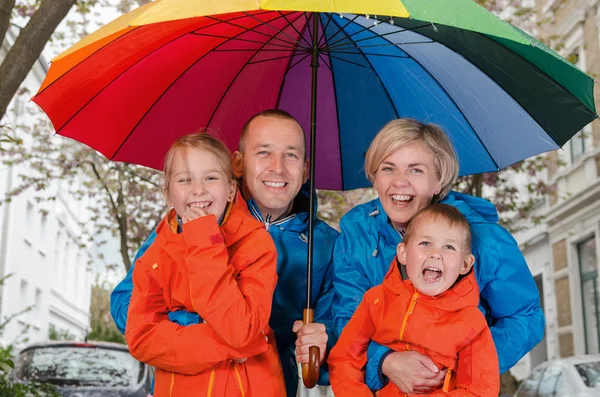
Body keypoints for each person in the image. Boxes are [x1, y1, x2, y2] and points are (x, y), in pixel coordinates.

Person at [111, 110, 337, 396]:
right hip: (189, 379)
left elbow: (340, 338)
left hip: (264, 383)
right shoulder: (190, 221)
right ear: (238, 163)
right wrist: (212, 330)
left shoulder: (328, 246)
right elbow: (126, 309)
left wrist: (322, 341)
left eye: (290, 155)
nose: (278, 168)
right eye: (264, 152)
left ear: (305, 170)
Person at [332, 119, 544, 394]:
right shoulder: (356, 233)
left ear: (439, 180)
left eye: (415, 170)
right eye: (387, 168)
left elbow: (524, 317)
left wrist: (462, 367)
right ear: (374, 176)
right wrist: (384, 361)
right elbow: (349, 319)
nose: (399, 183)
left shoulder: (483, 239)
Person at [125, 133, 285, 396]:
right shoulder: (153, 259)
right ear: (168, 193)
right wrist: (229, 347)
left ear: (231, 189)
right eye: (185, 179)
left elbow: (240, 330)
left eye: (210, 178)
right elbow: (141, 339)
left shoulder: (257, 244)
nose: (198, 189)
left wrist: (203, 241)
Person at [329, 204, 500, 396]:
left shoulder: (471, 322)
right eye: (425, 243)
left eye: (449, 247)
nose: (435, 254)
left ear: (465, 264)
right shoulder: (376, 301)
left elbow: (480, 389)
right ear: (402, 253)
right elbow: (344, 358)